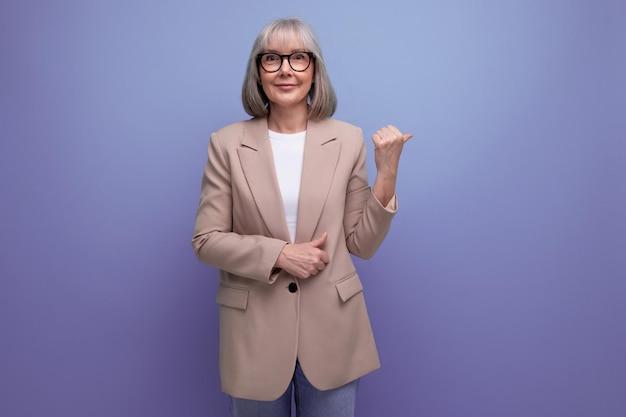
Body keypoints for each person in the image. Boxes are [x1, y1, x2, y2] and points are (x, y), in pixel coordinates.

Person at [192, 17, 412, 417]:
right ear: (258, 72)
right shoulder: (226, 143)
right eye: (272, 59)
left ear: (315, 69)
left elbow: (362, 244)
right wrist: (280, 254)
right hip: (254, 332)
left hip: (333, 329)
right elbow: (206, 240)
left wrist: (388, 174)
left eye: (298, 58)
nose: (286, 70)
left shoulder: (346, 139)